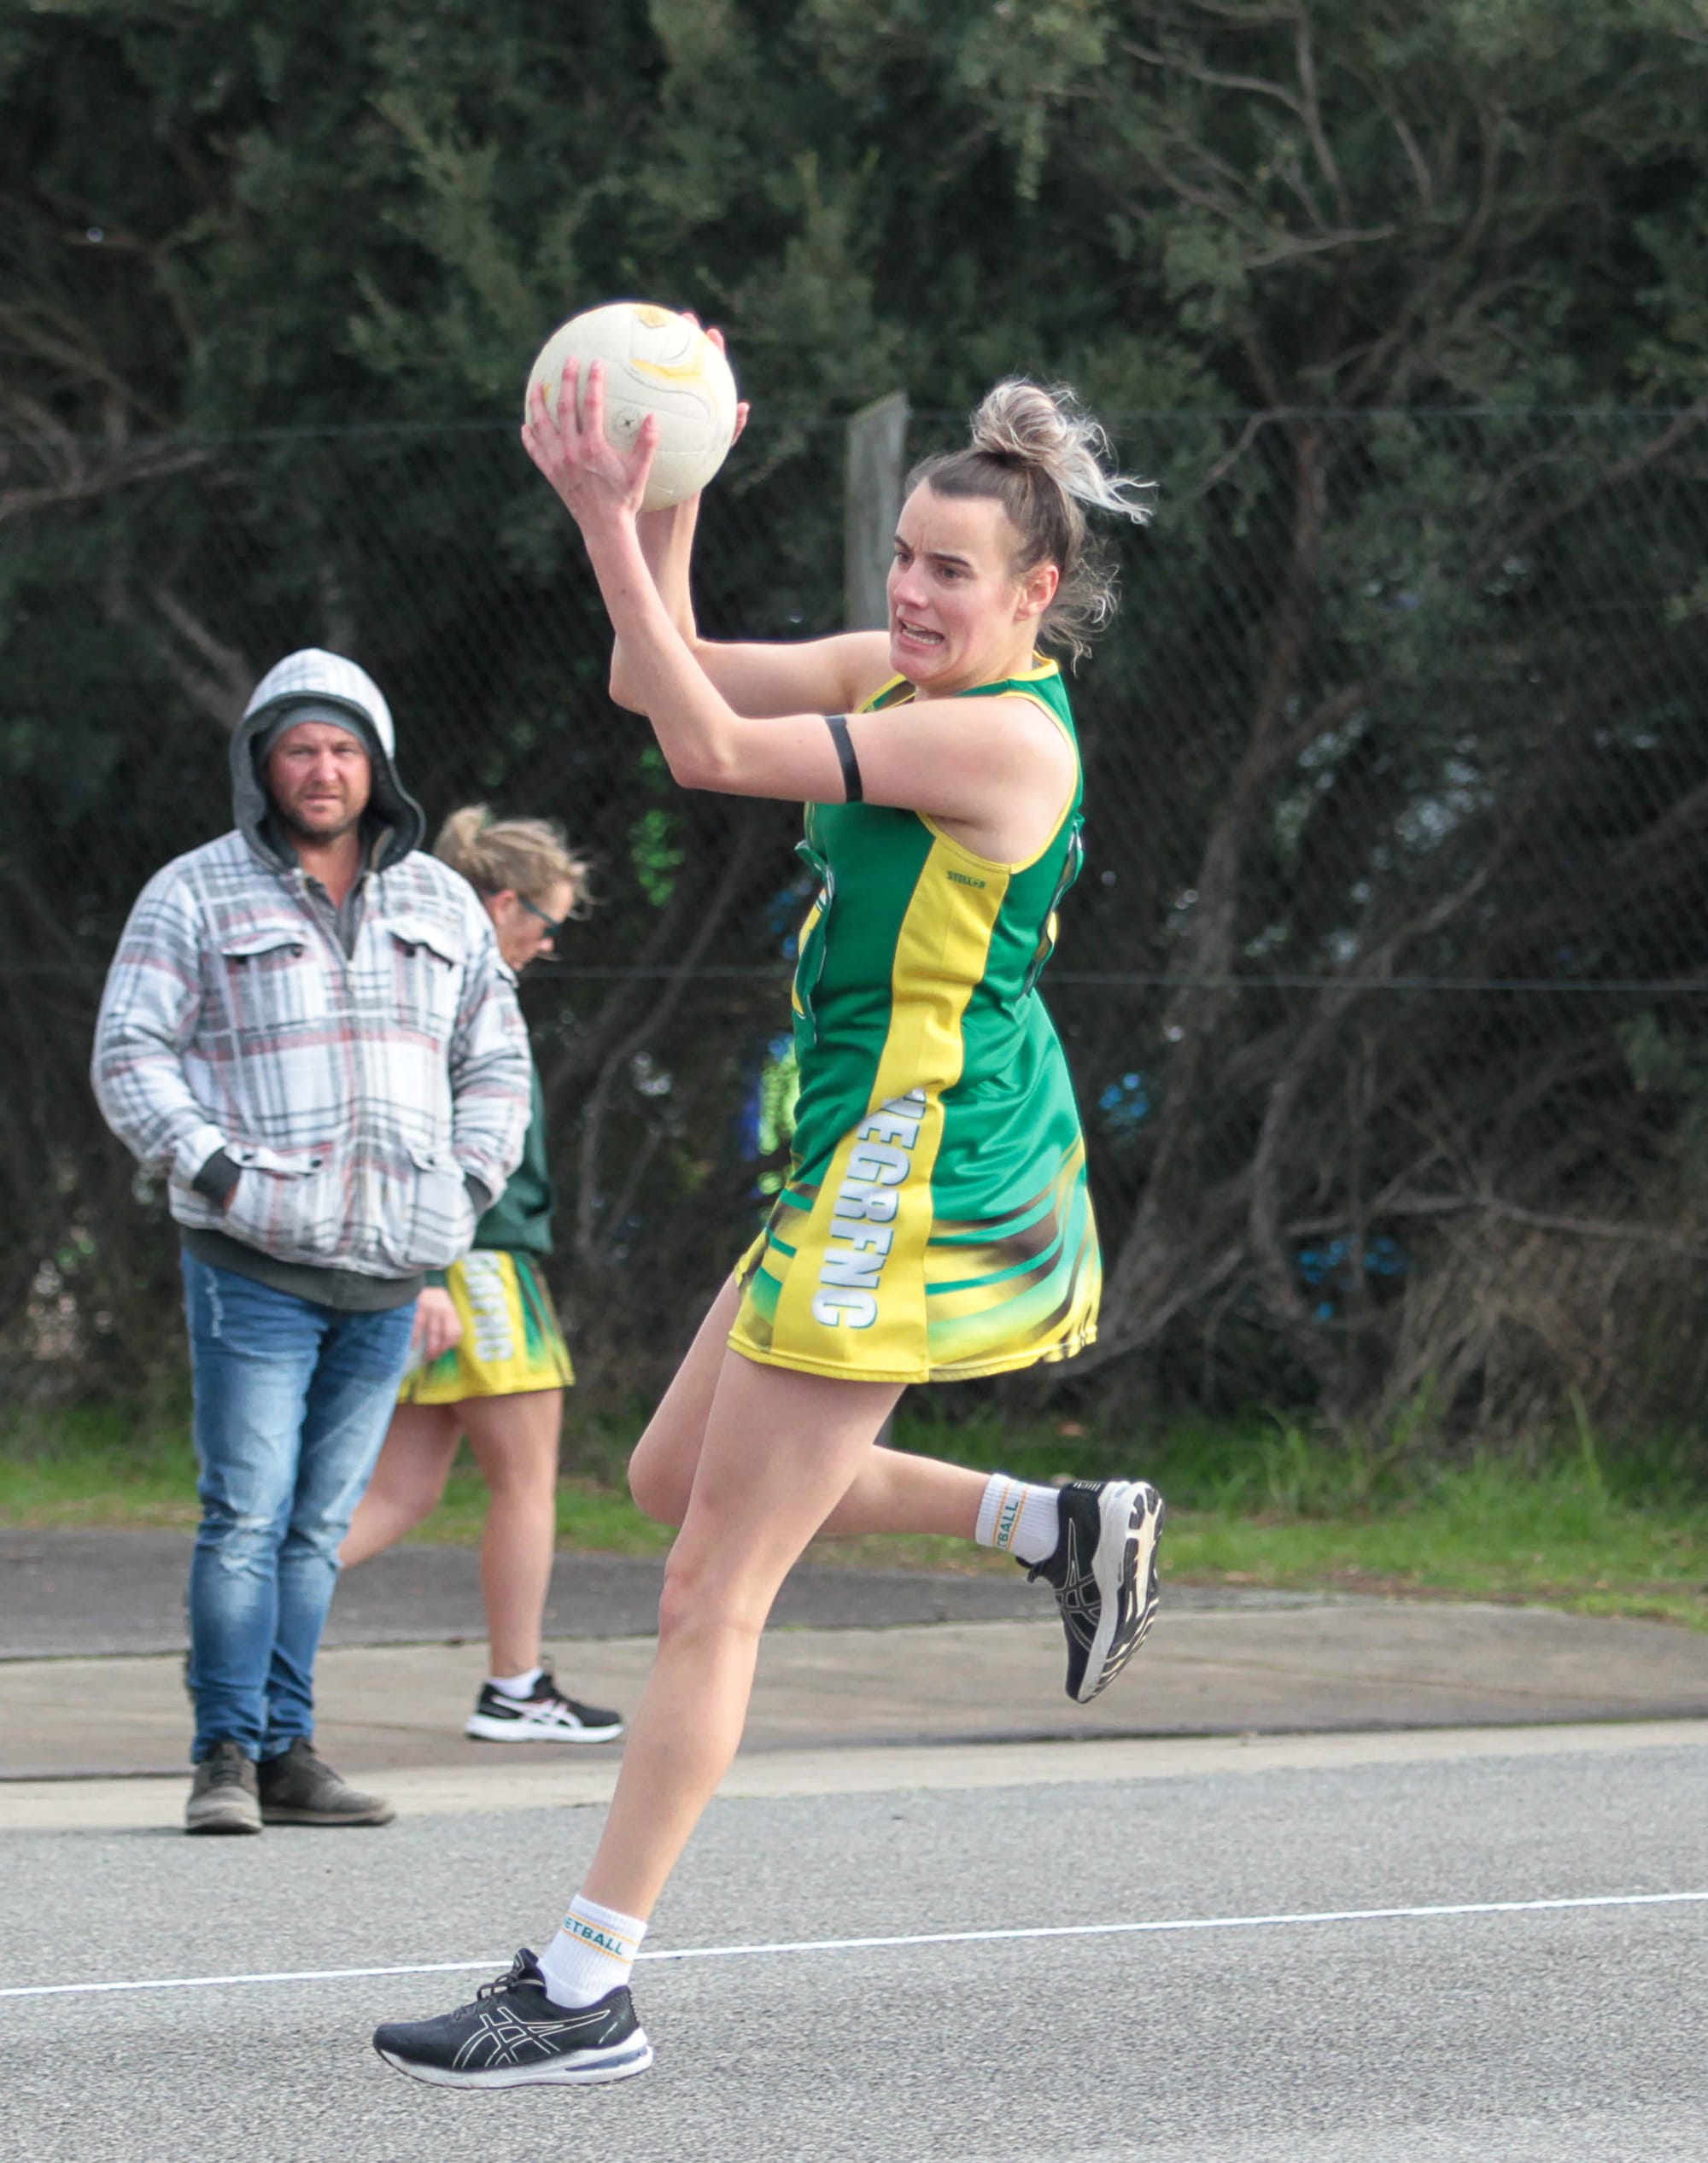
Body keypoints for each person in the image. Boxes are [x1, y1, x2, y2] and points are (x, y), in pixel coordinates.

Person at [372, 354, 1164, 2088]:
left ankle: (587, 1984)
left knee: (704, 1586)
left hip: (921, 1170)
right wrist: (673, 487)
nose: (908, 588)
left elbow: (717, 746)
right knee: (674, 1483)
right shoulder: (895, 673)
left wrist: (603, 509)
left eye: (950, 570)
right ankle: (1052, 1525)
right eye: (902, 555)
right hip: (849, 1151)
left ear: (1037, 596)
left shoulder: (997, 738)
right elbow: (651, 684)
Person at [91, 649, 532, 1837]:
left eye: (343, 749)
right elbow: (130, 1055)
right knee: (245, 1511)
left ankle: (290, 1749)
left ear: (376, 765)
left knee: (317, 1525)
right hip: (253, 1264)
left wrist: (467, 1186)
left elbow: (496, 1060)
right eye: (299, 748)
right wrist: (220, 1171)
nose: (323, 769)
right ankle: (224, 1755)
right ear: (261, 765)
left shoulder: (439, 901)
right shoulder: (193, 893)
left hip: (392, 1265)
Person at [339, 807, 623, 1746]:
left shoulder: (437, 980)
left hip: (449, 1258)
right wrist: (430, 1267)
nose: (548, 941)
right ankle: (515, 1686)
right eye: (547, 919)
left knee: (401, 1491)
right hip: (478, 1258)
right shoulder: (463, 987)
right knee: (526, 1479)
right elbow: (428, 1135)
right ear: (503, 903)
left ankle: (237, 1620)